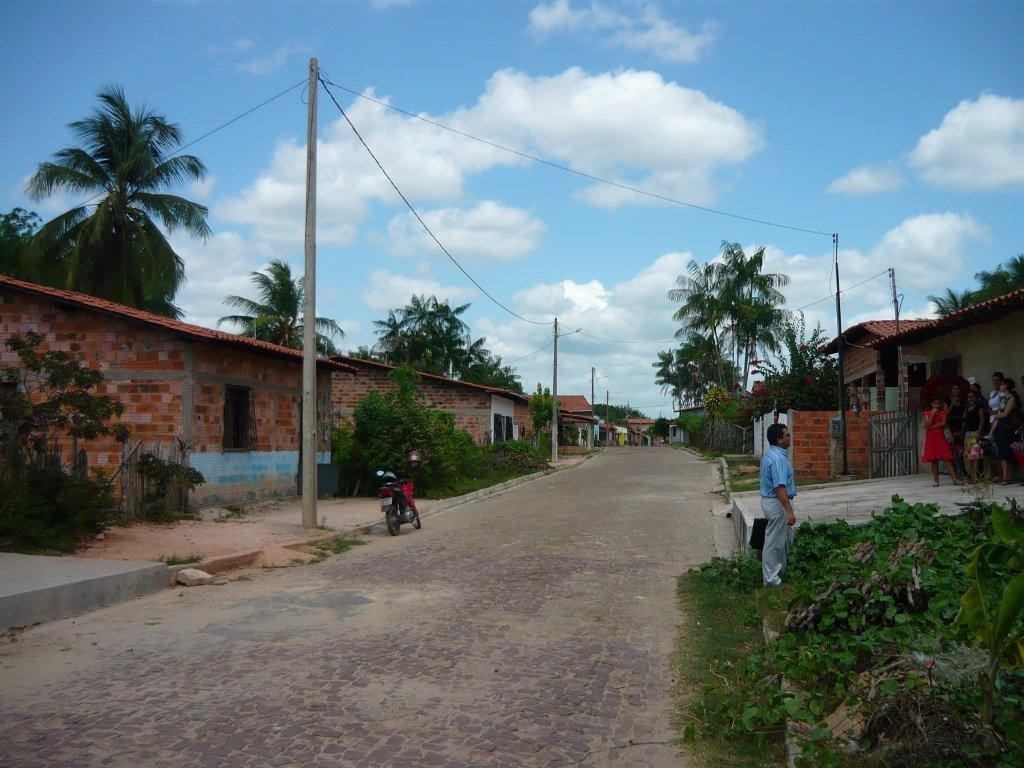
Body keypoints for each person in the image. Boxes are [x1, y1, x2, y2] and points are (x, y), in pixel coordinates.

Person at [759, 423, 797, 587]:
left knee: (786, 538)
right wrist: (788, 511)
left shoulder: (772, 455)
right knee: (774, 542)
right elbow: (779, 488)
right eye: (787, 435)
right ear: (779, 439)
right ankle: (771, 579)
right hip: (777, 503)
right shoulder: (777, 460)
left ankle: (780, 571)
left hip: (776, 502)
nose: (790, 438)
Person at [989, 378, 1020, 484]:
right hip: (1001, 427)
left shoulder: (1012, 398)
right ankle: (1006, 476)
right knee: (1002, 452)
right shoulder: (1003, 399)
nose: (1000, 386)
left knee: (1005, 452)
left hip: (1008, 428)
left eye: (1001, 384)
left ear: (1006, 385)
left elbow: (1005, 414)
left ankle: (1006, 477)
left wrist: (994, 414)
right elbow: (1000, 413)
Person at [922, 398, 960, 486]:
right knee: (934, 460)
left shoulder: (943, 413)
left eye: (938, 404)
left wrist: (932, 427)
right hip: (931, 439)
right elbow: (927, 424)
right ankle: (936, 481)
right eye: (935, 403)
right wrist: (933, 414)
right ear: (931, 404)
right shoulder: (927, 413)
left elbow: (943, 423)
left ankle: (954, 479)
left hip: (941, 437)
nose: (937, 405)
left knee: (947, 458)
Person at [963, 389, 990, 480]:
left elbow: (982, 421)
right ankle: (972, 474)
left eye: (973, 397)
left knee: (975, 455)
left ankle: (974, 475)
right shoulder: (967, 408)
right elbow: (964, 419)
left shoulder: (979, 407)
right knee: (969, 455)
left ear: (976, 397)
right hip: (968, 433)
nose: (971, 399)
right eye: (969, 397)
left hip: (975, 432)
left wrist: (979, 432)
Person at [947, 384, 967, 478]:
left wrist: (954, 417)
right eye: (954, 389)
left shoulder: (964, 401)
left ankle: (962, 470)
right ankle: (956, 473)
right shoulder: (947, 402)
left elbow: (964, 416)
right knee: (953, 452)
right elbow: (947, 415)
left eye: (957, 389)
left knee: (961, 451)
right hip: (951, 429)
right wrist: (952, 404)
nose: (956, 391)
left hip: (961, 429)